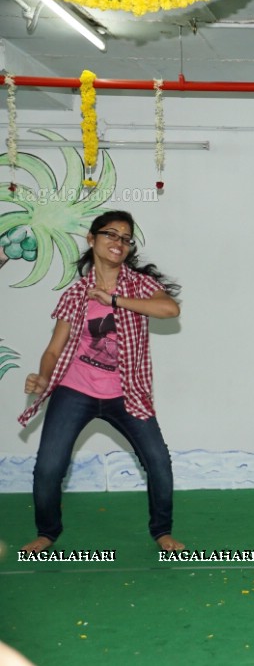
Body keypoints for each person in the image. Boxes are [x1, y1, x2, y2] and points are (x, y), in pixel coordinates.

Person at [18, 210, 185, 553]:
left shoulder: (140, 285)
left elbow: (170, 310)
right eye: (110, 234)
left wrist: (114, 300)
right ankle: (47, 532)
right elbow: (53, 351)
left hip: (127, 393)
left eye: (125, 238)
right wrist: (43, 378)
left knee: (158, 461)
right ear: (91, 239)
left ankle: (162, 531)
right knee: (49, 466)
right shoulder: (75, 293)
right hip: (74, 389)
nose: (118, 243)